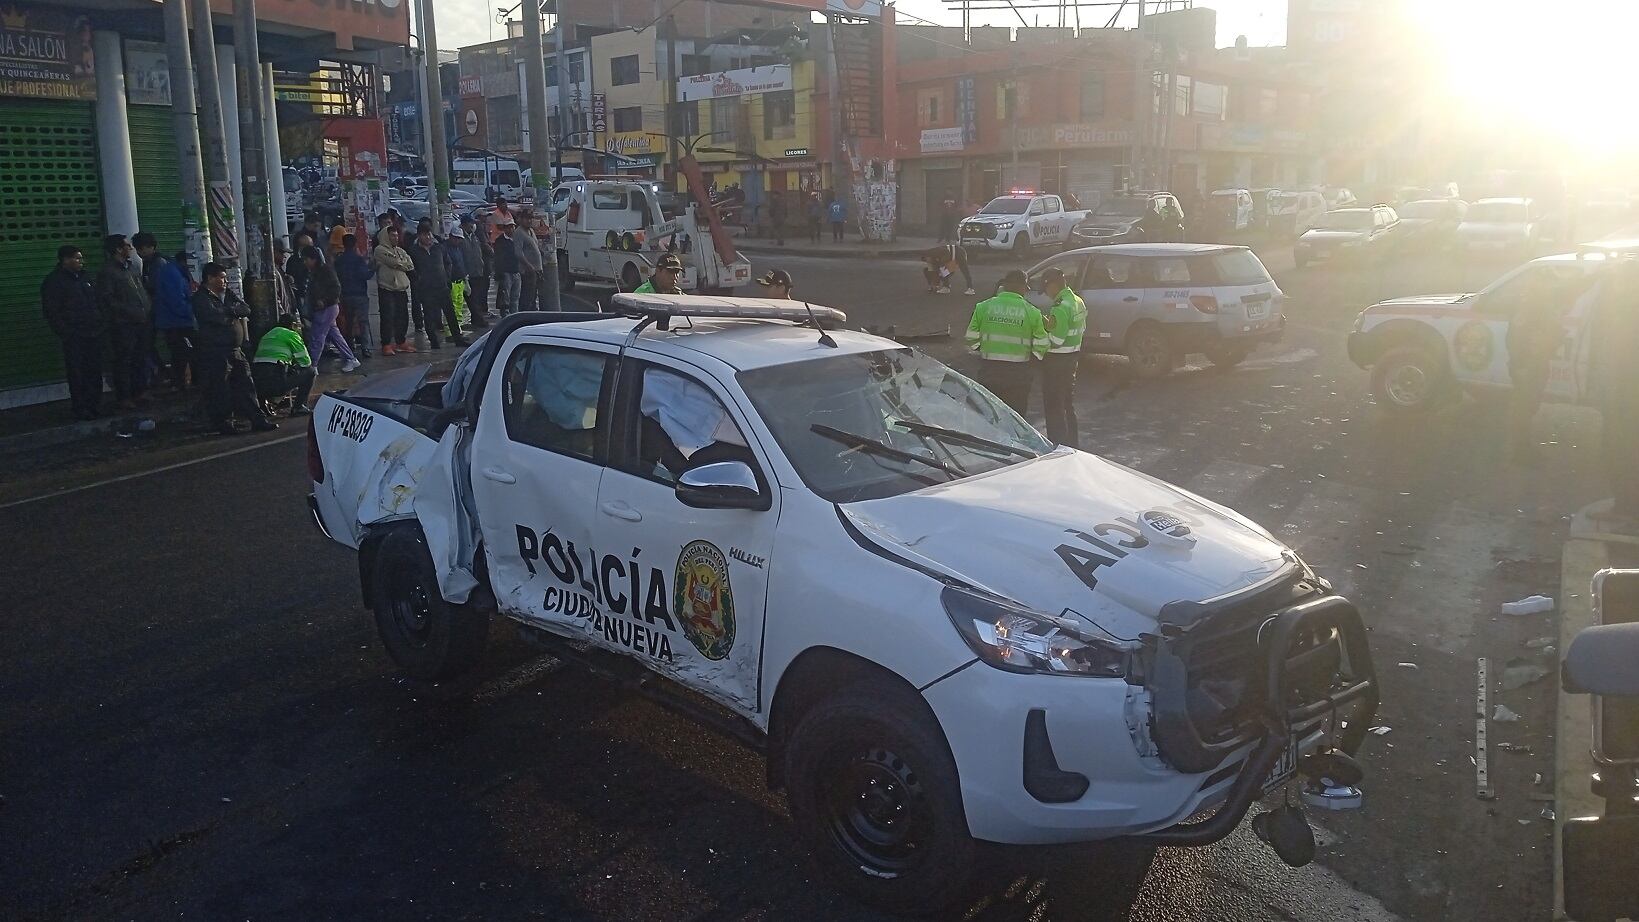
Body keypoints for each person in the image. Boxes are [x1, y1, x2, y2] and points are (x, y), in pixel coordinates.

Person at [193, 261, 276, 434]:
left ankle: (257, 419)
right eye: (221, 278)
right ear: (210, 278)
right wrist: (231, 312)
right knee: (220, 388)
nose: (224, 282)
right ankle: (224, 423)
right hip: (216, 350)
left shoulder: (228, 294)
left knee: (246, 383)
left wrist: (230, 311)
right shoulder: (201, 298)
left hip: (235, 349)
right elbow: (214, 317)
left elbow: (245, 309)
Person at [1590, 262, 1639, 519]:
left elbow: (1625, 365)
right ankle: (1625, 507)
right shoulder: (1624, 314)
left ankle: (1626, 510)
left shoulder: (1630, 317)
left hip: (1627, 402)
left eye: (1620, 281)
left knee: (1621, 455)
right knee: (1617, 454)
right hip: (1621, 399)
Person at [965, 269, 1046, 415]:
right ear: (1023, 287)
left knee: (989, 416)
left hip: (990, 370)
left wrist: (983, 349)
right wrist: (1032, 360)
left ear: (1005, 286)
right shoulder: (1032, 312)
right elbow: (1042, 343)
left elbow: (971, 336)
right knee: (1016, 420)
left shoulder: (983, 307)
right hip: (1018, 374)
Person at [40, 245, 104, 420]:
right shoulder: (55, 282)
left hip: (93, 332)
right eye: (77, 258)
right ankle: (81, 407)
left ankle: (94, 405)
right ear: (65, 260)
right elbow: (52, 312)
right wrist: (66, 333)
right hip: (74, 336)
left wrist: (99, 323)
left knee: (94, 371)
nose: (80, 262)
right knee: (77, 372)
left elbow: (96, 301)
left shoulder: (85, 277)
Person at [1504, 273, 1563, 464]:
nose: (1551, 290)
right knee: (1524, 408)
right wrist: (1521, 366)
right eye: (1547, 287)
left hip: (1534, 364)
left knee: (1530, 406)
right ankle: (1520, 452)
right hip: (1528, 367)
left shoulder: (1539, 307)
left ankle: (1522, 448)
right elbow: (1515, 340)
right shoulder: (1529, 309)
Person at [96, 234, 152, 410]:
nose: (131, 248)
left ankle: (140, 391)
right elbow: (107, 299)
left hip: (140, 321)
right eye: (127, 246)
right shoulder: (108, 272)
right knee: (124, 360)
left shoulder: (131, 268)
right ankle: (124, 396)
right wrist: (129, 311)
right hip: (123, 324)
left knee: (139, 357)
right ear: (118, 249)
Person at [134, 232, 195, 391]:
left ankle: (175, 379)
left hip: (167, 317)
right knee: (180, 352)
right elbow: (174, 299)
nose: (140, 253)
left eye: (142, 248)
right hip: (173, 320)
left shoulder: (158, 265)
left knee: (178, 352)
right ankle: (175, 380)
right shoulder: (165, 268)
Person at [1039, 266, 1087, 449]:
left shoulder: (1059, 307)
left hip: (1056, 362)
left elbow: (1056, 340)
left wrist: (1039, 335)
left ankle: (1057, 447)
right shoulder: (1077, 301)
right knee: (1067, 404)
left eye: (1046, 290)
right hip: (1072, 358)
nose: (1047, 294)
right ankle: (1072, 445)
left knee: (1053, 407)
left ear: (1052, 286)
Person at [302, 246, 361, 372]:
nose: (305, 262)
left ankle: (313, 365)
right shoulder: (316, 271)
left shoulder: (324, 271)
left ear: (313, 259)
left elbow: (336, 288)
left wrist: (324, 300)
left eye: (306, 259)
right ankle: (351, 358)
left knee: (317, 336)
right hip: (327, 307)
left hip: (326, 308)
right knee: (335, 335)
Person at [408, 224, 466, 348]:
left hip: (442, 286)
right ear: (419, 236)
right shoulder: (414, 251)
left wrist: (447, 278)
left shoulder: (438, 248)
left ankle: (458, 339)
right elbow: (410, 268)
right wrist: (418, 280)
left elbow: (448, 262)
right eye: (425, 234)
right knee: (429, 316)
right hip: (426, 289)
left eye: (429, 234)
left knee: (450, 314)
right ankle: (433, 341)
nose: (428, 237)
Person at [252, 313, 315, 415]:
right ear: (293, 325)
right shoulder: (291, 334)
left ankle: (264, 405)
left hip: (258, 384)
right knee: (311, 372)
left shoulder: (267, 335)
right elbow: (305, 363)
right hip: (276, 383)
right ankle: (298, 407)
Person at [373, 225, 415, 355]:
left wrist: (401, 263)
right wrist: (401, 263)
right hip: (387, 288)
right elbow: (394, 262)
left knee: (403, 316)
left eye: (397, 235)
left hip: (401, 288)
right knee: (388, 317)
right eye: (392, 235)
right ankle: (386, 344)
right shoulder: (379, 250)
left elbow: (410, 264)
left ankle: (401, 341)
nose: (395, 238)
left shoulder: (400, 250)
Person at [335, 234, 374, 357]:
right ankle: (365, 348)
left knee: (349, 322)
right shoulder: (358, 260)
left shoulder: (339, 261)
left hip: (345, 294)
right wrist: (373, 268)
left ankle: (349, 346)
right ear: (355, 244)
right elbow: (365, 275)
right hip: (360, 294)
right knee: (363, 322)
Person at [461, 216, 492, 327]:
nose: (472, 226)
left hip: (478, 271)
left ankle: (476, 319)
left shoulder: (474, 237)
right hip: (468, 273)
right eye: (470, 224)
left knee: (477, 296)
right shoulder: (461, 238)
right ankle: (479, 319)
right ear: (464, 224)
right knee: (472, 298)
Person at [512, 212, 544, 311]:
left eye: (530, 218)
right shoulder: (519, 233)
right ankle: (525, 316)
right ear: (520, 219)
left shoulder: (531, 231)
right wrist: (528, 265)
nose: (529, 221)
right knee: (527, 296)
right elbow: (518, 252)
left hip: (536, 269)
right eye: (526, 218)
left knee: (533, 295)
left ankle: (532, 314)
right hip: (527, 271)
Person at [493, 217, 520, 316]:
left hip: (516, 271)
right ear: (504, 229)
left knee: (515, 297)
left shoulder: (517, 239)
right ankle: (505, 317)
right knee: (505, 297)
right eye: (508, 227)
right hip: (506, 272)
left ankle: (514, 316)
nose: (511, 229)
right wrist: (499, 273)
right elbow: (498, 258)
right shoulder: (500, 241)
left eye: (512, 227)